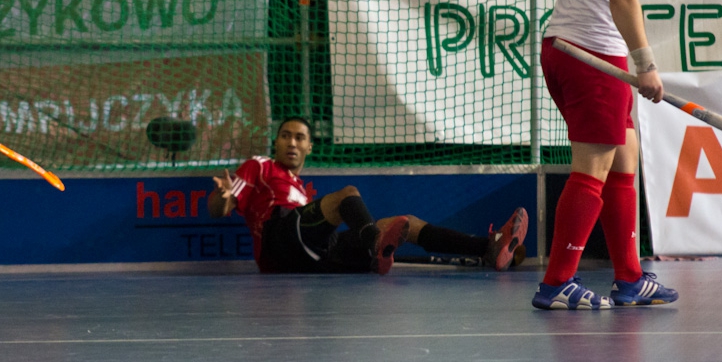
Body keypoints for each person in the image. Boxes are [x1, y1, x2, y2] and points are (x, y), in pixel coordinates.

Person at [534, 0, 679, 310]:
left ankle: (630, 278)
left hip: (564, 47)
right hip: (595, 57)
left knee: (625, 156)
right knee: (590, 170)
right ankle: (556, 284)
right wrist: (646, 65)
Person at [209, 116, 528, 274]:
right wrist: (223, 197)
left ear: (310, 147)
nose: (292, 143)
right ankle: (375, 243)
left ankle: (487, 248)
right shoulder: (260, 166)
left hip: (313, 259)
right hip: (278, 241)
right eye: (286, 136)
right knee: (346, 196)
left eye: (300, 138)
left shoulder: (302, 189)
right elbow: (221, 207)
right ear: (275, 143)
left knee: (405, 223)